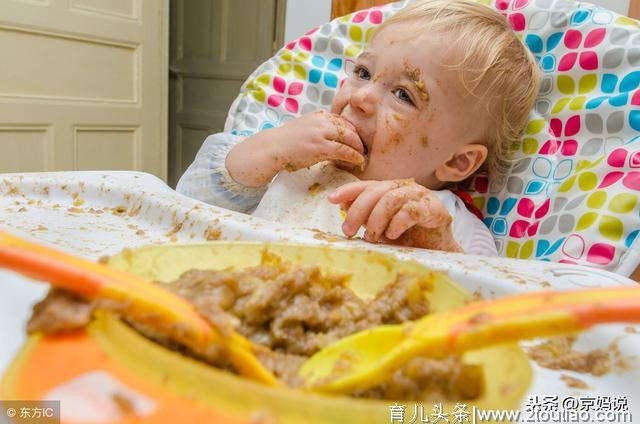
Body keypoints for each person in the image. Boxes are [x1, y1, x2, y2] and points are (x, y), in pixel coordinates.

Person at [177, 0, 541, 255]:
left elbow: (485, 298)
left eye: (403, 94)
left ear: (458, 163)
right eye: (364, 72)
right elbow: (188, 204)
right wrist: (272, 148)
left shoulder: (439, 219)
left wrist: (441, 247)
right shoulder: (294, 163)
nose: (361, 97)